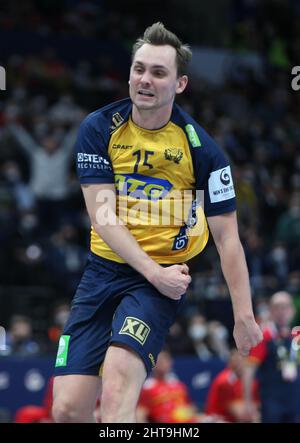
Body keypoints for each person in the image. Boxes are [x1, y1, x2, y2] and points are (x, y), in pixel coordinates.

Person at [52, 22, 262, 423]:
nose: (145, 80)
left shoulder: (204, 151)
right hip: (104, 271)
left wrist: (244, 317)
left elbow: (228, 237)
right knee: (66, 409)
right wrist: (152, 272)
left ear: (180, 83)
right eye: (139, 69)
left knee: (116, 391)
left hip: (163, 277)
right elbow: (102, 216)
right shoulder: (99, 128)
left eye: (158, 72)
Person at [244, 291, 300, 423]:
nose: (282, 311)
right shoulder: (263, 336)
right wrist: (248, 402)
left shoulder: (297, 336)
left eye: (285, 307)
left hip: (295, 401)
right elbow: (249, 371)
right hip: (271, 401)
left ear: (292, 310)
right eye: (277, 307)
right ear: (270, 311)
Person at [136, 349, 202, 423]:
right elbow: (140, 414)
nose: (164, 364)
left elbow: (190, 407)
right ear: (153, 364)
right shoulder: (147, 388)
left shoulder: (179, 385)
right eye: (160, 361)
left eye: (166, 360)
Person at [205, 349, 260, 423]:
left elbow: (257, 405)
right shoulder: (224, 382)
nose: (240, 364)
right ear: (229, 363)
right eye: (237, 361)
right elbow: (240, 413)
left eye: (243, 361)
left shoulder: (252, 382)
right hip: (217, 419)